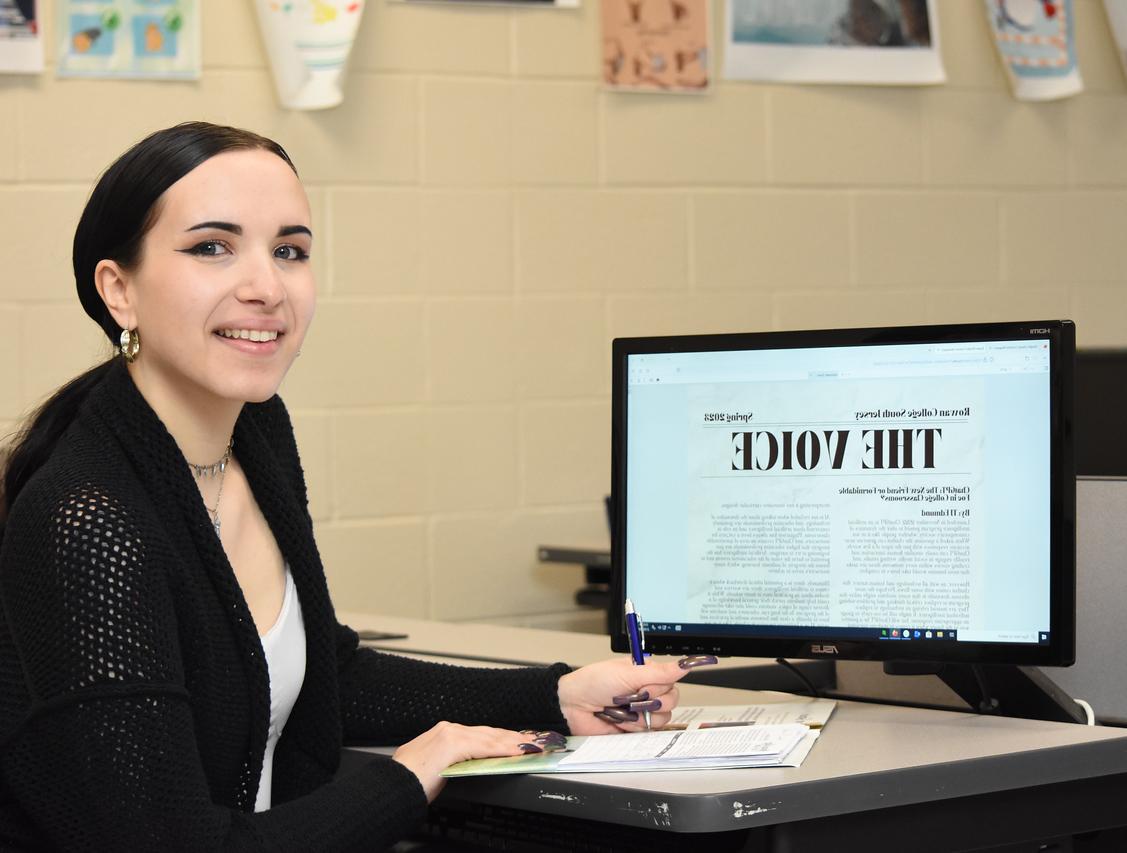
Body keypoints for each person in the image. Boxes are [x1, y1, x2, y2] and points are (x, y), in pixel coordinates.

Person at [0, 122, 716, 850]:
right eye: (211, 247)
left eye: (290, 251)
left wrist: (554, 694)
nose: (265, 287)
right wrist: (405, 777)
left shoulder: (257, 436)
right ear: (118, 289)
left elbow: (326, 674)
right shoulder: (89, 520)